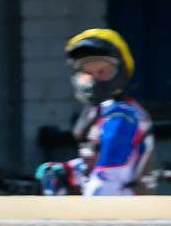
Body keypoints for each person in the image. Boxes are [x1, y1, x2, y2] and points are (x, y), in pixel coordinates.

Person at [57, 28, 152, 197]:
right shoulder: (98, 112)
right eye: (87, 73)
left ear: (120, 72)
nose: (94, 80)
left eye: (102, 72)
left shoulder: (122, 116)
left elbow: (107, 180)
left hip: (123, 214)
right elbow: (96, 161)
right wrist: (68, 170)